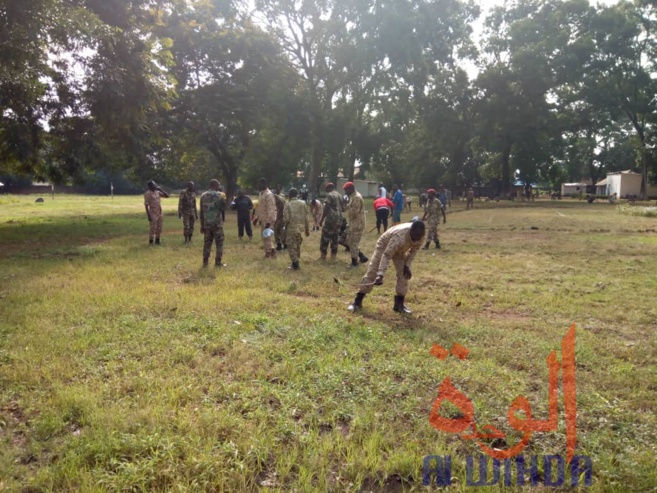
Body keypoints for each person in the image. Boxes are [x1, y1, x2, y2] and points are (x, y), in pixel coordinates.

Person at [347, 220, 426, 314]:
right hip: (384, 245)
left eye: (419, 237)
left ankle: (399, 305)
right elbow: (387, 255)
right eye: (415, 237)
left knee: (404, 274)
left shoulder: (420, 235)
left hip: (400, 250)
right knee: (373, 271)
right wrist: (380, 274)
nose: (417, 240)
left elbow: (413, 252)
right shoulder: (399, 237)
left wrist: (407, 265)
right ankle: (357, 302)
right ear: (411, 231)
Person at [199, 179, 226, 267]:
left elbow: (201, 212)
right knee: (219, 243)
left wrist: (202, 225)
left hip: (207, 224)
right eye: (218, 184)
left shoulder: (203, 196)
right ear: (215, 185)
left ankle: (205, 262)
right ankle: (218, 262)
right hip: (217, 224)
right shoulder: (220, 195)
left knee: (207, 243)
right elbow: (223, 208)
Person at [283, 188, 310, 270]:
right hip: (300, 228)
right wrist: (307, 229)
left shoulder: (288, 204)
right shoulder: (303, 204)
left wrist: (285, 226)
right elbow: (306, 218)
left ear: (290, 195)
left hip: (291, 228)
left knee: (291, 246)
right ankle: (295, 262)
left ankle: (295, 264)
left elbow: (286, 218)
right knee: (297, 246)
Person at [343, 182, 368, 267]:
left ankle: (354, 262)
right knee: (350, 241)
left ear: (351, 188)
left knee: (353, 243)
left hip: (357, 224)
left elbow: (354, 213)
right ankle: (362, 256)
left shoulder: (356, 197)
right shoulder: (352, 197)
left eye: (346, 190)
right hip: (354, 223)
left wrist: (346, 207)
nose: (345, 192)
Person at [319, 182, 344, 260]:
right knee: (335, 237)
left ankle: (323, 256)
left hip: (331, 219)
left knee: (325, 237)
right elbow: (343, 208)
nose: (326, 191)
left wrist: (322, 218)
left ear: (329, 188)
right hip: (339, 219)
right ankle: (333, 256)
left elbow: (326, 207)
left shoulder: (330, 195)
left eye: (326, 189)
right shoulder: (340, 196)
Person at [256, 178, 277, 258]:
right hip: (263, 218)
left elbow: (271, 208)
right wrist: (257, 218)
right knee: (264, 236)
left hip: (269, 219)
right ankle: (271, 250)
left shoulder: (268, 194)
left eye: (260, 184)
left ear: (264, 184)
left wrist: (269, 222)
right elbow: (261, 207)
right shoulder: (261, 194)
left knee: (266, 236)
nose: (259, 186)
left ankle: (269, 252)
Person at [144, 180, 169, 245]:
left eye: (155, 184)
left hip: (159, 212)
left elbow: (167, 196)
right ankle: (151, 241)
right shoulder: (147, 194)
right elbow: (146, 205)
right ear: (150, 186)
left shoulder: (157, 192)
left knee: (159, 227)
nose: (155, 186)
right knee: (153, 228)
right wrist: (148, 215)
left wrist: (161, 189)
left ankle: (157, 240)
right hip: (153, 212)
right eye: (154, 185)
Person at [274, 185, 287, 251]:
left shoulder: (279, 197)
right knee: (279, 230)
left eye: (278, 189)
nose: (277, 190)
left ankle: (283, 245)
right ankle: (282, 244)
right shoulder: (281, 196)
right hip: (280, 216)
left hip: (281, 216)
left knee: (279, 230)